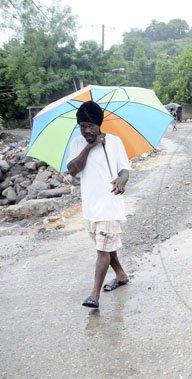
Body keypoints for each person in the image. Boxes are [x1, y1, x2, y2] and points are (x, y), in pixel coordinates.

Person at [67, 100, 131, 309]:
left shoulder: (114, 142)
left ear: (98, 124)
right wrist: (91, 146)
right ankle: (121, 275)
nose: (86, 130)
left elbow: (124, 169)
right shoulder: (78, 143)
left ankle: (94, 295)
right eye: (82, 126)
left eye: (90, 126)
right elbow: (73, 170)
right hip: (91, 207)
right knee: (105, 244)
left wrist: (122, 180)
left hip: (110, 205)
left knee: (102, 249)